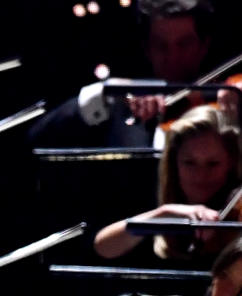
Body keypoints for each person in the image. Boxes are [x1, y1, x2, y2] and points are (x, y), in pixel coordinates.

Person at [29, 0, 223, 148]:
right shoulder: (123, 104)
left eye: (184, 44)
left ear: (203, 45)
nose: (172, 56)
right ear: (146, 48)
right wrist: (106, 93)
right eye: (160, 45)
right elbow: (36, 139)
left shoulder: (226, 102)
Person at [94, 105, 242, 265]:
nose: (200, 175)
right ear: (174, 162)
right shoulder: (147, 186)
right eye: (189, 163)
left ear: (231, 163)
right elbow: (103, 247)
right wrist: (163, 214)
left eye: (213, 164)